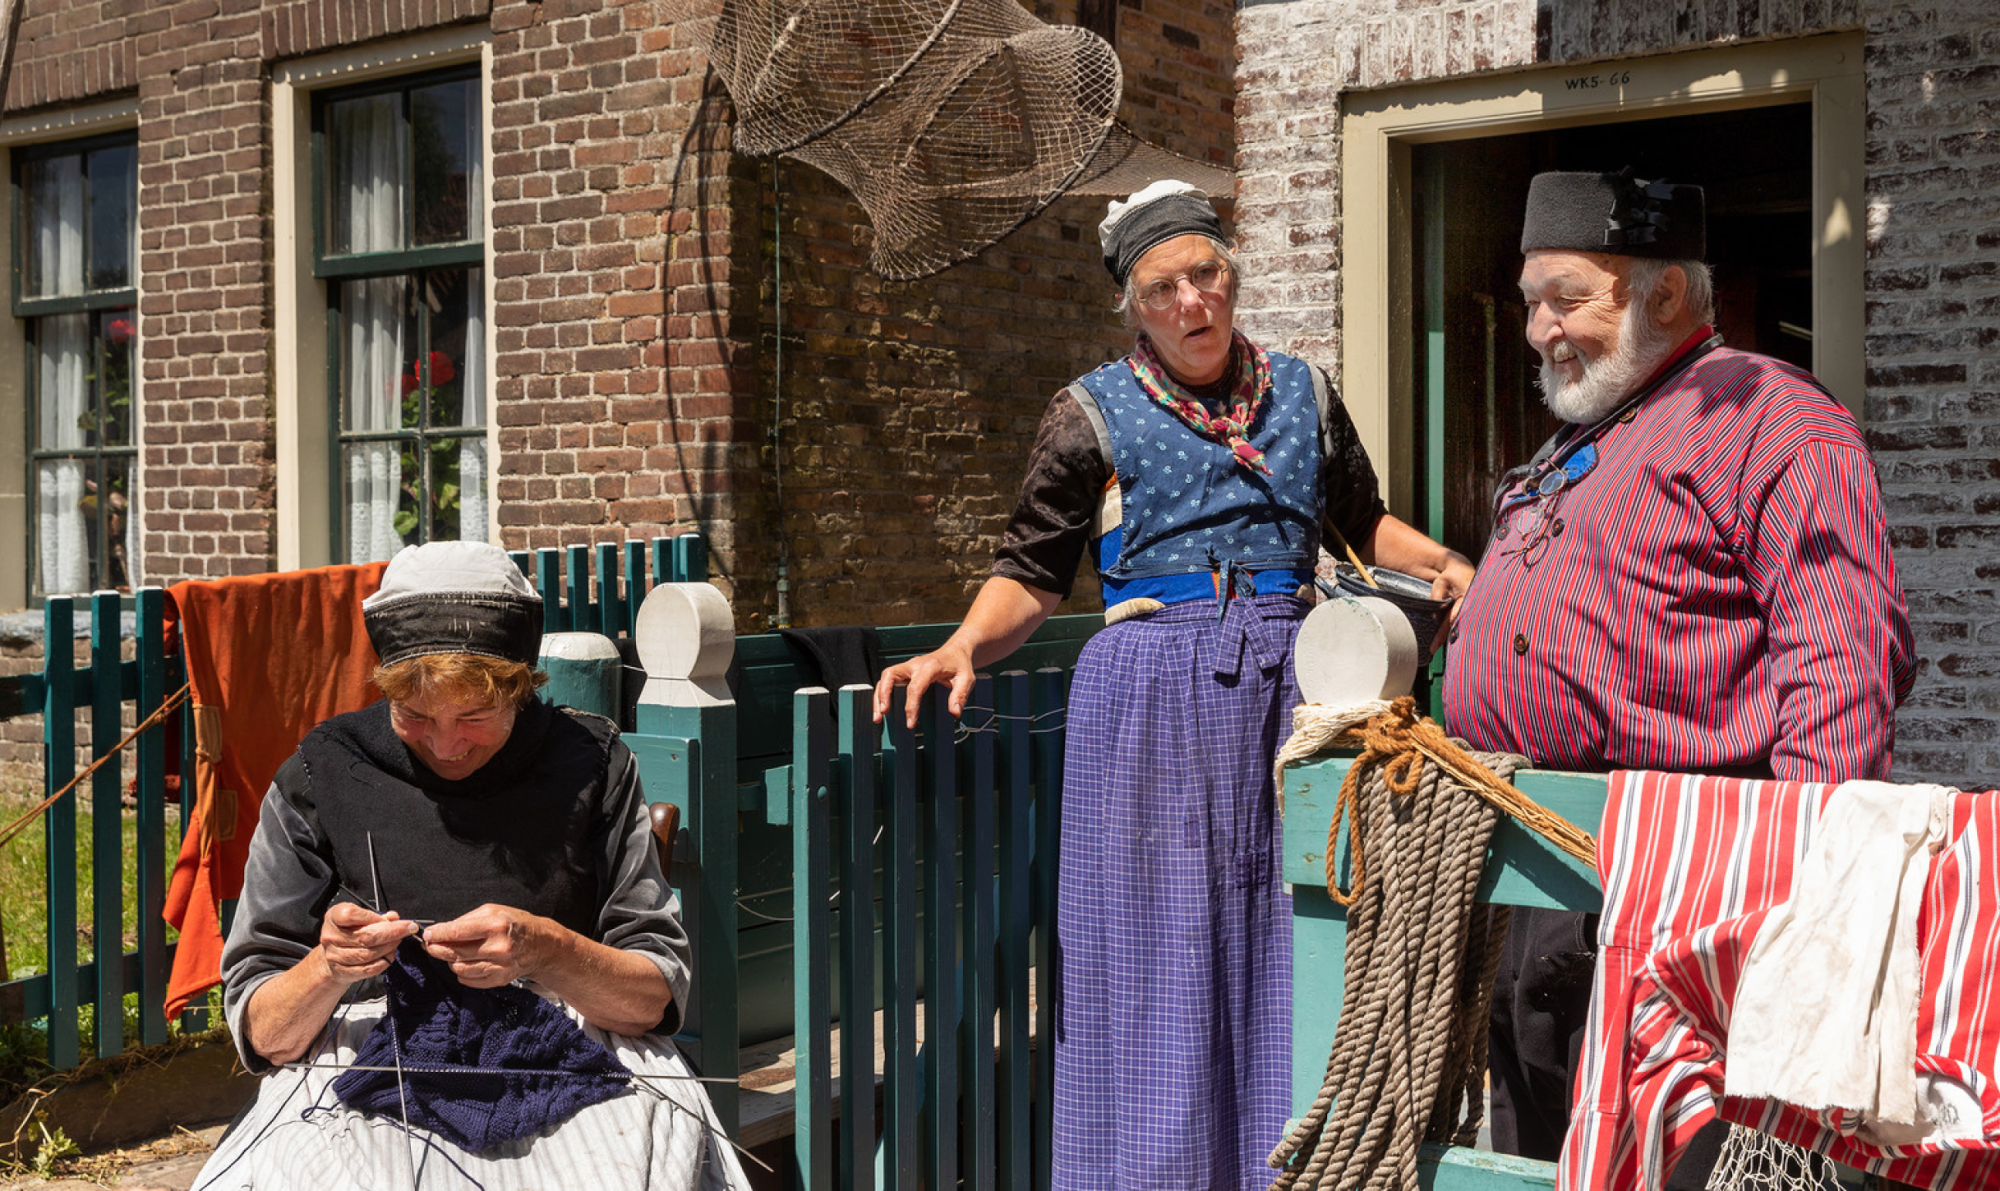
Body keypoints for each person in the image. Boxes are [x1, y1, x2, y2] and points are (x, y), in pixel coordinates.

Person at [873, 179, 1474, 1191]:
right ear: (1132, 305)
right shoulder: (1087, 414)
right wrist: (961, 648)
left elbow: (1360, 524)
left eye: (1206, 276)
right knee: (1152, 956)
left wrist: (1452, 566)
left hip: (1299, 688)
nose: (1191, 304)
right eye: (1162, 289)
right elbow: (1030, 571)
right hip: (1148, 701)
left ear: (1229, 276)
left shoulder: (1303, 393)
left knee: (1300, 929)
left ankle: (1292, 1168)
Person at [1442, 169, 1916, 1187]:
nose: (1536, 330)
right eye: (1530, 302)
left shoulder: (1770, 421)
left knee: (1676, 1159)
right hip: (1540, 879)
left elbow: (1838, 662)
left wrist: (1805, 916)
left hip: (1686, 893)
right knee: (1543, 1150)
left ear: (1661, 296)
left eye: (1564, 298)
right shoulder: (1590, 428)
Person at [197, 541, 746, 1191]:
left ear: (520, 686)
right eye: (417, 714)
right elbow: (263, 1030)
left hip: (573, 1048)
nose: (447, 743)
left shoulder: (591, 764)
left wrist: (544, 947)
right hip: (370, 1052)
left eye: (476, 716)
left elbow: (654, 995)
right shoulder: (322, 776)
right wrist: (328, 965)